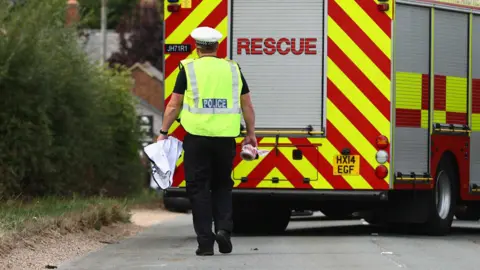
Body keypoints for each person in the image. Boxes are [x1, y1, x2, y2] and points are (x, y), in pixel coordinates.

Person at [157, 26, 257, 256]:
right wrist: (250, 133)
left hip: (197, 138)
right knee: (223, 185)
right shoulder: (232, 69)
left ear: (197, 47)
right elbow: (247, 105)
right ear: (217, 46)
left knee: (198, 189)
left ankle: (205, 243)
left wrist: (164, 131)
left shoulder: (188, 68)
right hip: (225, 139)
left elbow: (174, 105)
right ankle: (223, 230)